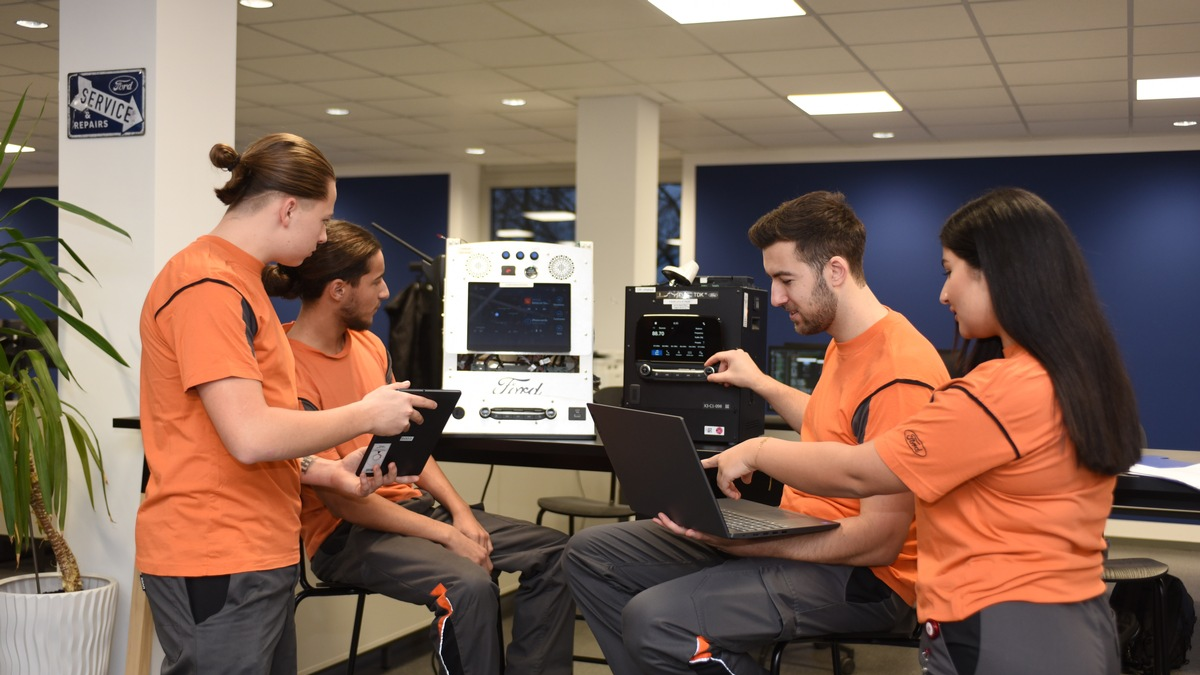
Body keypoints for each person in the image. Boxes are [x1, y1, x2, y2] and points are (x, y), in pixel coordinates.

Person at [705, 187, 1142, 675]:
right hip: (1070, 614)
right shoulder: (1072, 375)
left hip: (1002, 624)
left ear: (1000, 275)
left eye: (949, 271)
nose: (943, 292)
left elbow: (860, 470)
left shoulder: (1001, 390)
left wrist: (760, 450)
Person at [564, 191, 950, 674]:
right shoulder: (845, 344)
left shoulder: (900, 370)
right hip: (808, 538)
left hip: (865, 578)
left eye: (786, 279)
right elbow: (840, 425)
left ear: (835, 270)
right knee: (590, 555)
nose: (777, 297)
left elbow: (879, 540)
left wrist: (749, 540)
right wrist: (762, 383)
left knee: (656, 620)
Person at [137, 133, 431, 675]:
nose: (323, 238)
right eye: (322, 221)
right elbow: (249, 436)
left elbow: (230, 429)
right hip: (217, 550)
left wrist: (323, 471)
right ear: (289, 208)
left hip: (256, 547)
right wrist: (368, 413)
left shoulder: (241, 284)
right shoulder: (208, 287)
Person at [263, 219, 575, 675]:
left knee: (557, 553)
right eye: (376, 281)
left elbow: (408, 443)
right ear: (337, 290)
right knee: (468, 585)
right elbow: (342, 501)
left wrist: (461, 513)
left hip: (414, 512)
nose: (387, 293)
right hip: (346, 536)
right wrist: (448, 535)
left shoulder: (370, 346)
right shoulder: (286, 366)